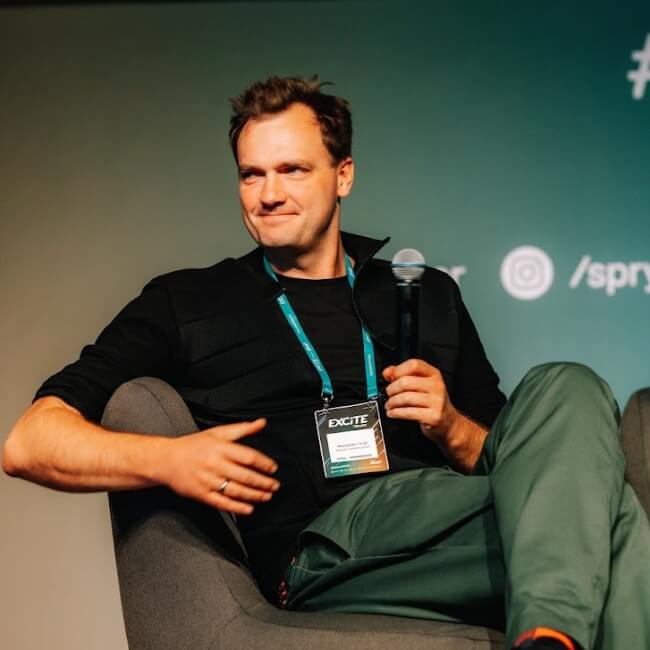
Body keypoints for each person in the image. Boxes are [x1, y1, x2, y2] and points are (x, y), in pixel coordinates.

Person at [3, 76, 649, 650]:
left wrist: (451, 425)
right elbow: (28, 441)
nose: (267, 194)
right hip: (324, 551)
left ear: (343, 175)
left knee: (570, 387)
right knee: (608, 519)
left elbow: (528, 458)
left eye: (292, 170)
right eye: (251, 174)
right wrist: (169, 460)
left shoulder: (425, 295)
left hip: (443, 522)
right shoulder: (188, 302)